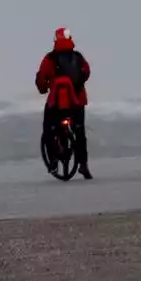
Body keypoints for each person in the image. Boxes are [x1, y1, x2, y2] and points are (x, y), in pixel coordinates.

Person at [36, 27, 92, 179]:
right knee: (79, 132)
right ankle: (83, 165)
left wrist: (43, 88)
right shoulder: (78, 57)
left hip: (56, 104)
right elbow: (86, 72)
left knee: (49, 129)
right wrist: (77, 85)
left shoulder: (50, 59)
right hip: (77, 102)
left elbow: (42, 77)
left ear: (55, 40)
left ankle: (53, 161)